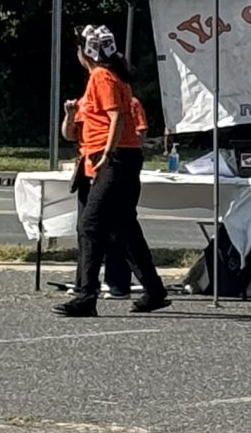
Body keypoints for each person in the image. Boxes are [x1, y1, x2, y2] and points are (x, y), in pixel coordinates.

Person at [55, 24, 168, 318]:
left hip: (114, 159)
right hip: (121, 158)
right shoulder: (114, 75)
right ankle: (154, 290)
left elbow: (116, 117)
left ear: (86, 52)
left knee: (90, 226)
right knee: (124, 227)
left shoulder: (101, 76)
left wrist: (106, 153)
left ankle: (85, 296)